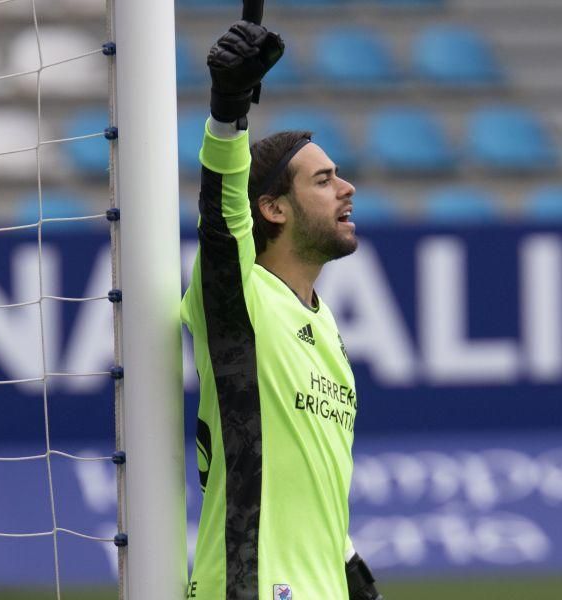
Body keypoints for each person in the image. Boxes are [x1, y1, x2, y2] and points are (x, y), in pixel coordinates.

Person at [180, 19, 384, 600]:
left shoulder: (325, 326)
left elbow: (309, 483)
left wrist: (351, 570)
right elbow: (221, 223)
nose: (346, 188)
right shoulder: (242, 301)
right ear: (272, 208)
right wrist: (228, 112)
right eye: (324, 180)